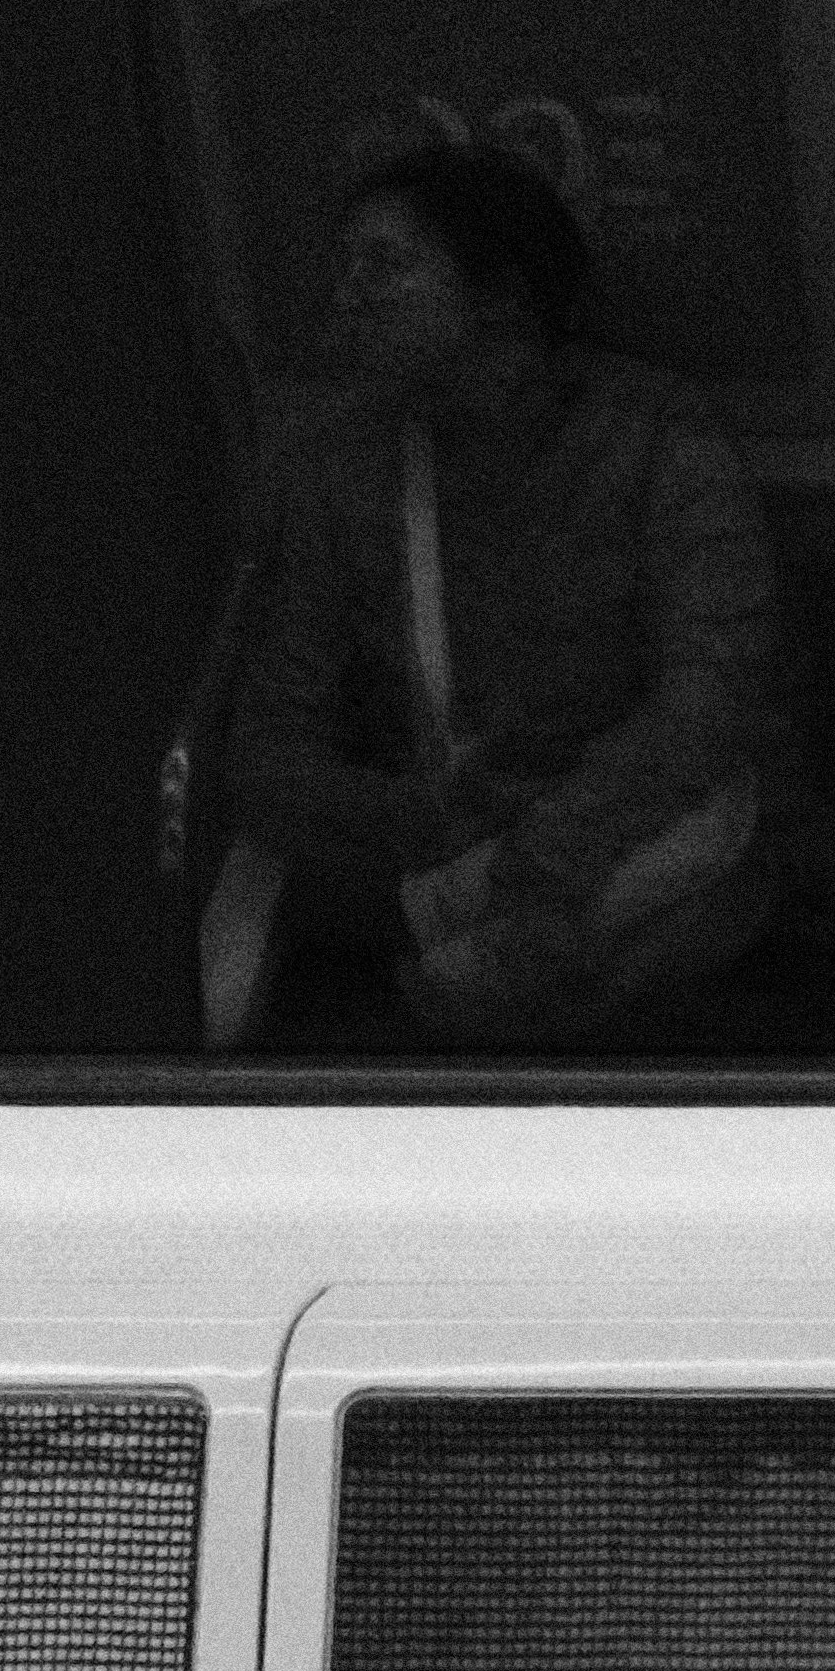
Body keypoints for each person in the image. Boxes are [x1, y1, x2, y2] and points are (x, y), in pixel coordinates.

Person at [191, 140, 787, 1048]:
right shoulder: (343, 467)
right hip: (442, 835)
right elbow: (269, 742)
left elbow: (712, 701)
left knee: (502, 972)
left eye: (384, 268)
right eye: (343, 269)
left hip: (636, 819)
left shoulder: (657, 439)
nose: (347, 299)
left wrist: (546, 844)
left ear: (501, 302)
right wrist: (426, 820)